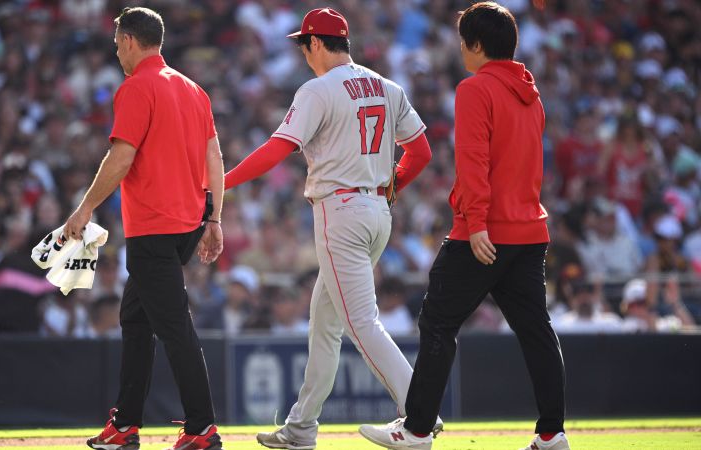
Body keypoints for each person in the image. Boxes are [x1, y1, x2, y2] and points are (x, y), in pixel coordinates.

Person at [223, 8, 437, 449]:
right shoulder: (387, 85)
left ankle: (420, 414)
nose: (304, 54)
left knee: (360, 323)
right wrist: (391, 186)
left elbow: (276, 148)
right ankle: (301, 427)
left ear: (316, 44)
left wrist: (222, 183)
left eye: (305, 45)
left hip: (341, 212)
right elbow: (421, 152)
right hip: (377, 212)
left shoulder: (317, 89)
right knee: (324, 321)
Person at [359, 3, 570, 450]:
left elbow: (473, 160)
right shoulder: (531, 95)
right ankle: (552, 433)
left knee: (437, 322)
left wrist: (475, 223)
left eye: (463, 43)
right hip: (529, 230)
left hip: (485, 232)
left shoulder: (475, 89)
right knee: (537, 332)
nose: (460, 50)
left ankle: (415, 430)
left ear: (477, 46)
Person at [65, 7, 225, 450]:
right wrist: (214, 217)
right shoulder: (194, 89)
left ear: (131, 41)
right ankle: (127, 424)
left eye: (118, 43)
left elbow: (121, 157)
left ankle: (202, 429)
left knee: (174, 327)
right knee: (135, 319)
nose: (117, 51)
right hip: (187, 223)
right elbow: (215, 158)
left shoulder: (136, 88)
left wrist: (84, 210)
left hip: (152, 228)